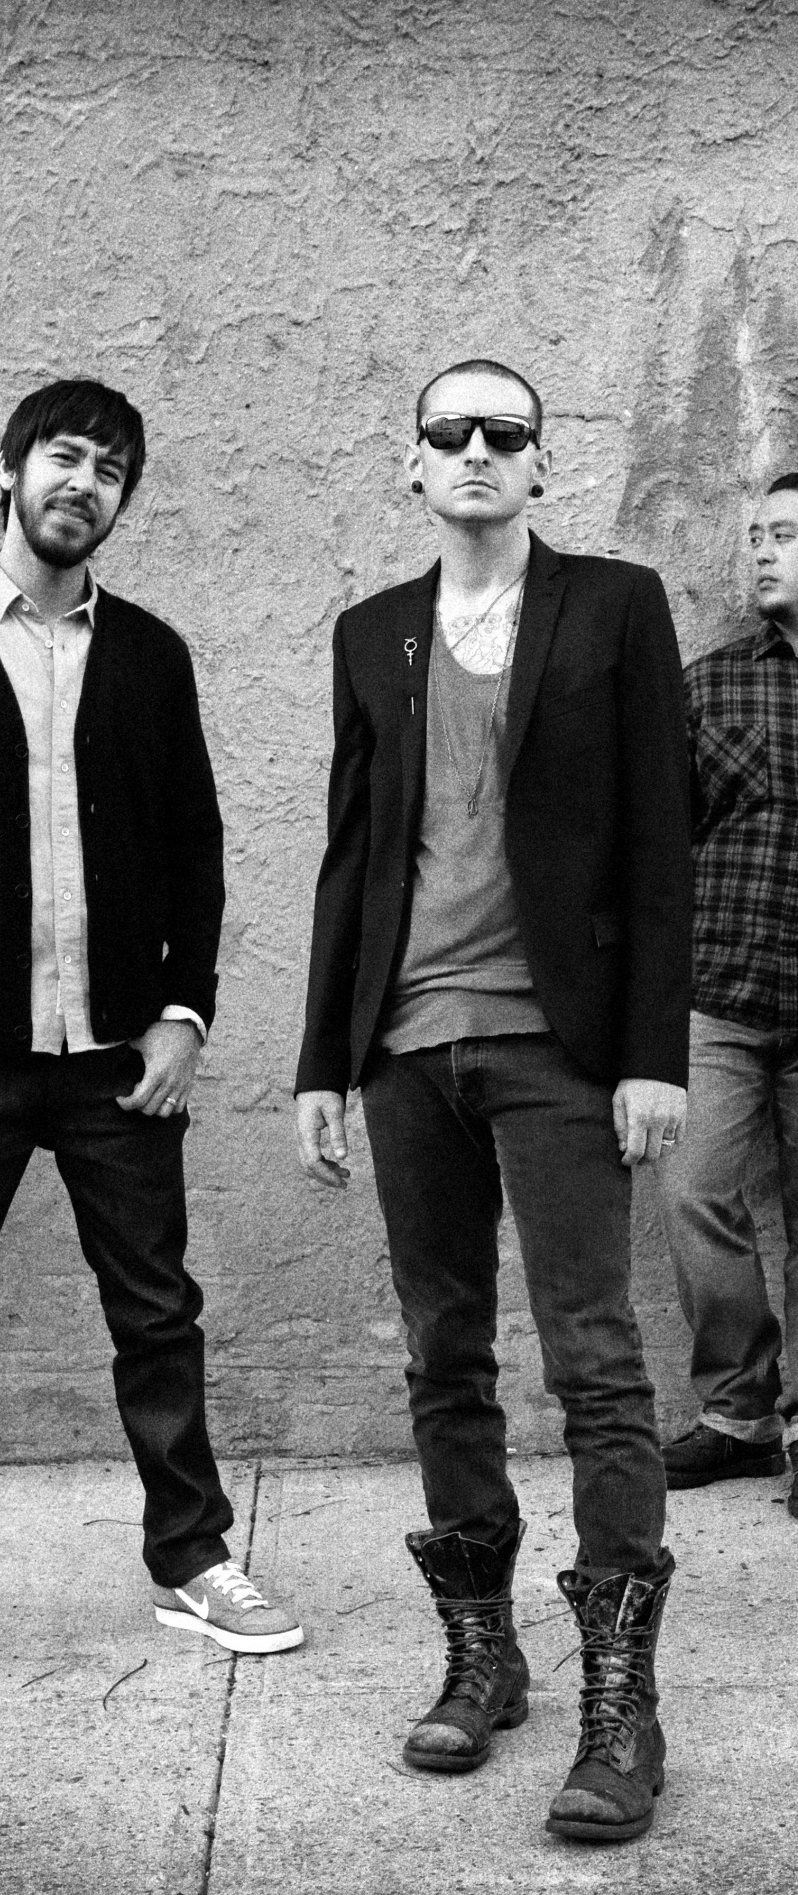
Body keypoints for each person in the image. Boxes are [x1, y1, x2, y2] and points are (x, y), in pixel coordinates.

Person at [0, 378, 301, 1708]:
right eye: (65, 457)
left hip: (115, 1063)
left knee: (157, 1314)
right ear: (10, 468)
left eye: (111, 470)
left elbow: (196, 848)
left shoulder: (150, 655)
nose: (84, 483)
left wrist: (186, 1016)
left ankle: (192, 1561)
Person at [294, 360, 692, 1843]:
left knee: (597, 1363)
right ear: (411, 465)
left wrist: (655, 1052)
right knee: (443, 1356)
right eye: (449, 432)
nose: (476, 450)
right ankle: (484, 1656)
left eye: (503, 433)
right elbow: (352, 852)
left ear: (541, 466)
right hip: (408, 1047)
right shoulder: (374, 633)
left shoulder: (615, 607)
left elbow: (658, 835)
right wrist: (322, 1060)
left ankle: (621, 1703)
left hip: (559, 1045)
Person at [656, 471, 798, 1520]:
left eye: (784, 535)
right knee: (694, 1193)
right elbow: (658, 840)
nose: (760, 552)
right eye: (756, 535)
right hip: (716, 995)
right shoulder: (710, 685)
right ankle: (741, 1416)